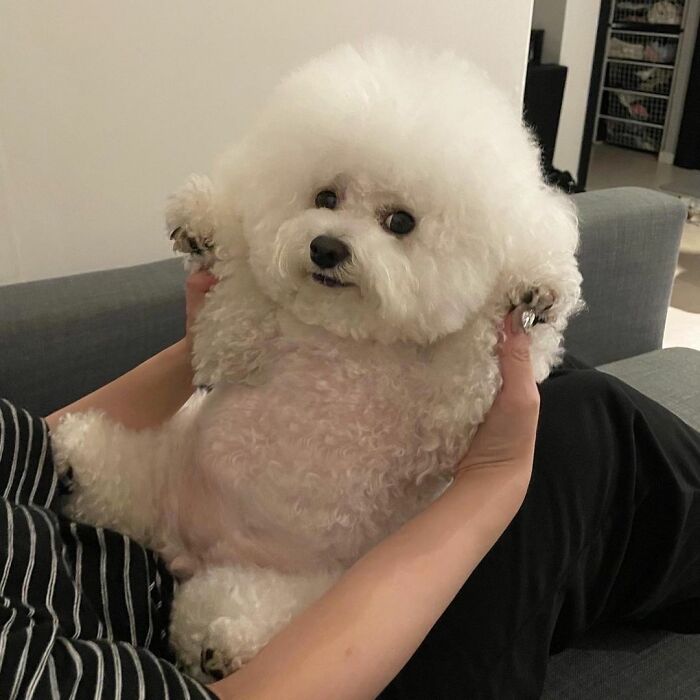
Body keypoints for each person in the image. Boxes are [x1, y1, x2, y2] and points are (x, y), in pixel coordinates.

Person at [0, 272, 698, 699]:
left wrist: (202, 349)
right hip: (261, 655)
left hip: (183, 532)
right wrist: (491, 482)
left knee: (502, 366)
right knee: (584, 428)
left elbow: (44, 450)